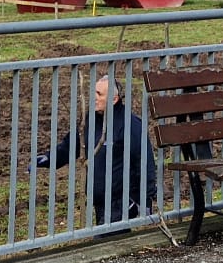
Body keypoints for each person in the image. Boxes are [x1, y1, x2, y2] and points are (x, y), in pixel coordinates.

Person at [38, 74, 158, 226]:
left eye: (99, 94)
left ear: (114, 99)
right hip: (100, 199)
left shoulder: (130, 125)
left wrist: (144, 201)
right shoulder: (91, 120)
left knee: (106, 241)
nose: (94, 97)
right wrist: (49, 158)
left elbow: (144, 162)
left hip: (122, 201)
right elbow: (73, 144)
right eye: (93, 92)